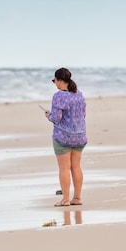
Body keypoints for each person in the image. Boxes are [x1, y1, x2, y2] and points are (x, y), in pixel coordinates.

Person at [44, 67, 87, 207]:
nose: (54, 83)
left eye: (54, 80)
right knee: (76, 167)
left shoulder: (58, 96)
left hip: (63, 136)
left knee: (64, 168)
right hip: (80, 135)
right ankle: (78, 198)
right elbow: (83, 115)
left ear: (59, 80)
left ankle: (66, 199)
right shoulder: (79, 94)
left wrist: (48, 116)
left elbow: (56, 118)